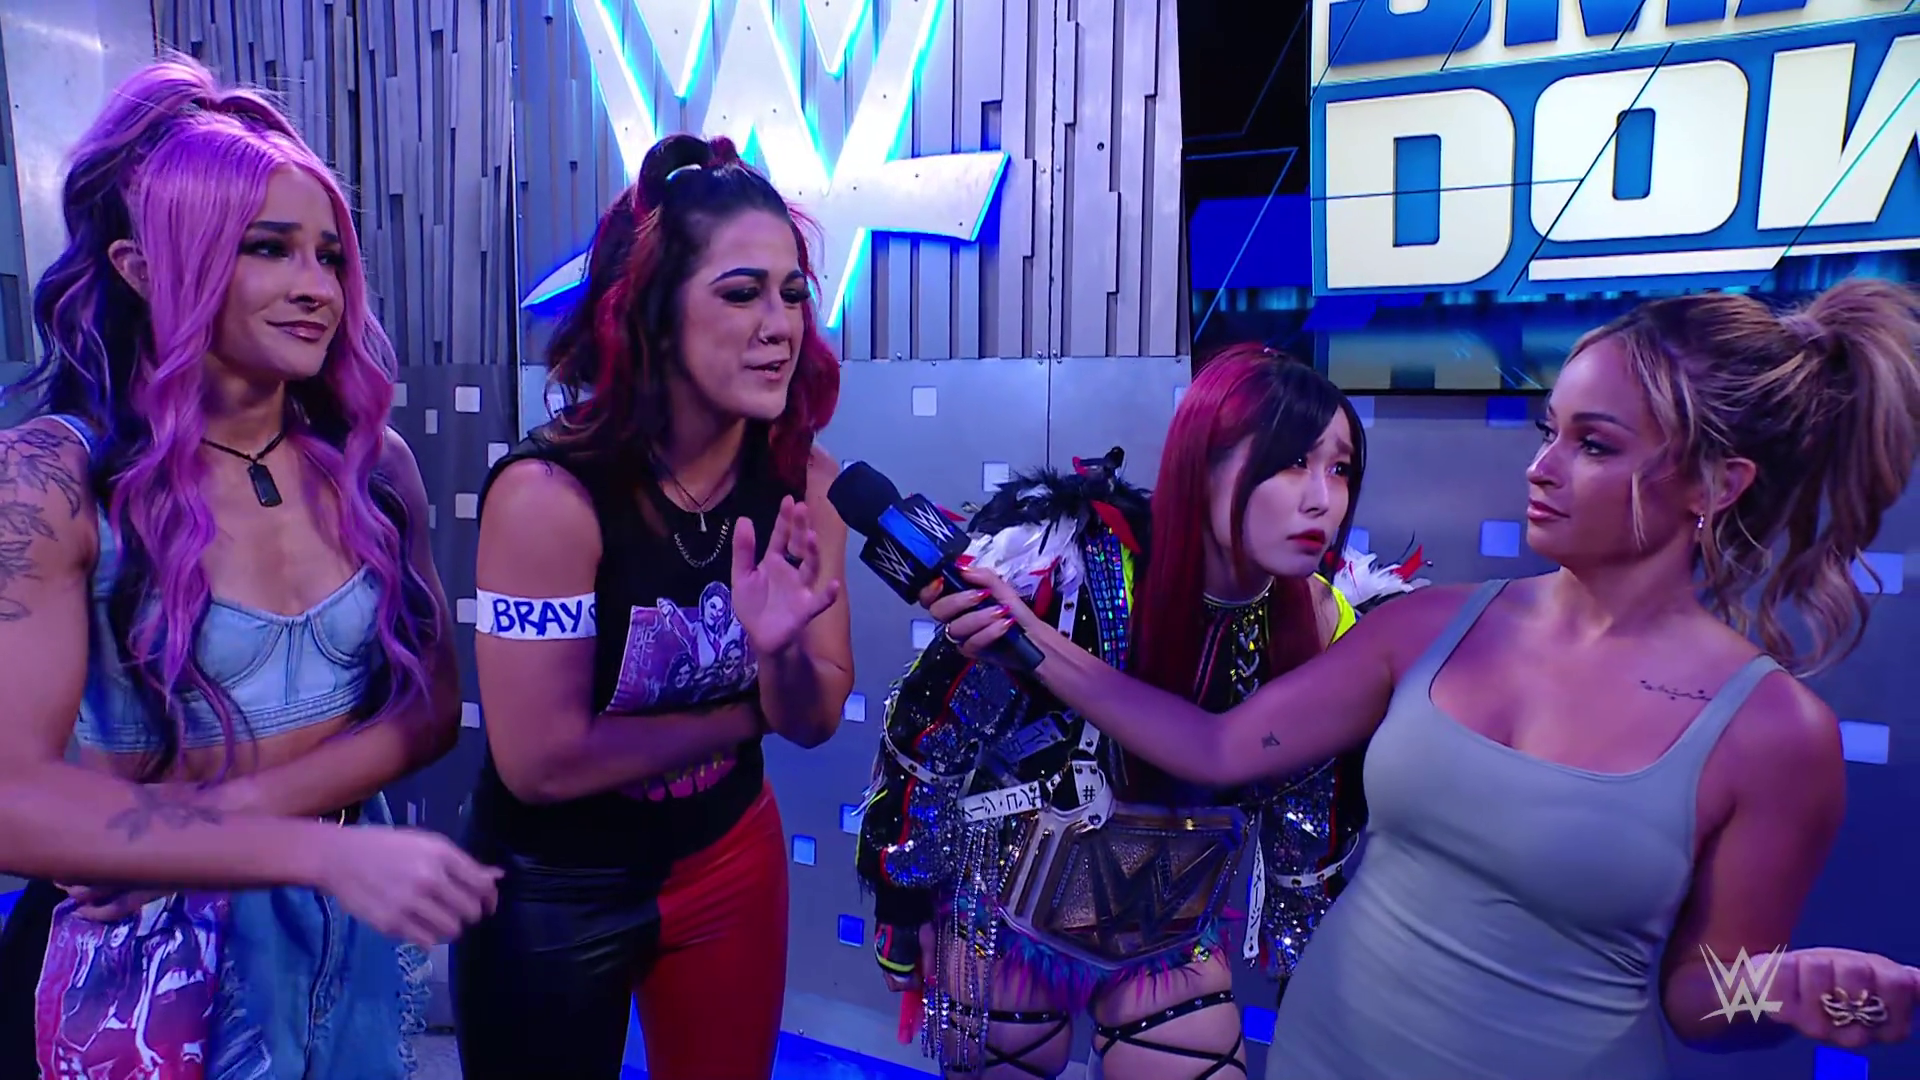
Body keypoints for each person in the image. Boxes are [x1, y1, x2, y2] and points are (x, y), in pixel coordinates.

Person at [933, 280, 1920, 1078]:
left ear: (1716, 484)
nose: (1542, 467)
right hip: (1324, 1056)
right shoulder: (1430, 626)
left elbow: (1700, 1000)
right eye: (1548, 430)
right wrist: (1027, 637)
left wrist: (1776, 991)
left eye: (1593, 444)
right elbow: (1218, 746)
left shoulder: (1775, 733)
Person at [0, 56, 499, 1080]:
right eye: (268, 249)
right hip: (137, 960)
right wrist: (307, 845)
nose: (317, 288)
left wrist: (244, 829)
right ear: (141, 267)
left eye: (329, 256)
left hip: (340, 935)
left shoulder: (371, 464)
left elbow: (429, 708)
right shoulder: (50, 479)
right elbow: (9, 796)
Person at [861, 349, 1427, 1079]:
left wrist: (1302, 967)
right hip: (1007, 913)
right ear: (1204, 463)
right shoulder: (1067, 568)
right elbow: (930, 736)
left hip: (1170, 930)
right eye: (1290, 462)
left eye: (1340, 468)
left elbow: (1307, 820)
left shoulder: (1326, 626)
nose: (1322, 498)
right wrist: (902, 899)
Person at [451, 133, 853, 1080]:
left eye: (793, 293)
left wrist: (781, 658)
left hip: (727, 854)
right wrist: (744, 713)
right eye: (742, 293)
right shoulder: (547, 498)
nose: (781, 325)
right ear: (653, 314)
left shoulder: (808, 484)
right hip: (552, 884)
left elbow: (813, 718)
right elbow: (542, 763)